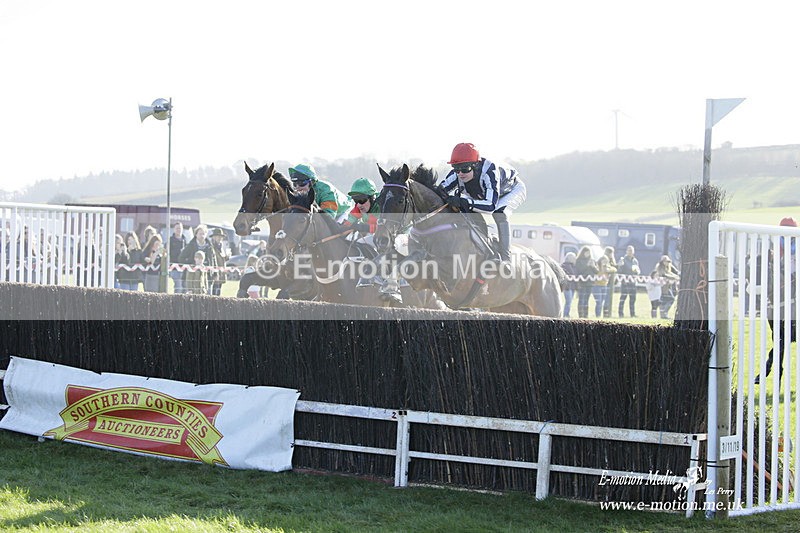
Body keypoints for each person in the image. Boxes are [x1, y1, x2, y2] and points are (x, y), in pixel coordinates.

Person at [437, 142, 526, 262]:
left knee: (499, 213)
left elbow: (490, 206)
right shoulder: (457, 174)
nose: (460, 173)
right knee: (465, 208)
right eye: (456, 169)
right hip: (484, 194)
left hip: (511, 190)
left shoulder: (489, 171)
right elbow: (439, 191)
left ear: (476, 165)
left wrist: (464, 202)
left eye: (465, 169)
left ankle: (506, 258)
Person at [756, 216, 798, 384]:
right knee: (780, 340)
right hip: (775, 304)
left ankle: (767, 368)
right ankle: (770, 369)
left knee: (783, 339)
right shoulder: (773, 252)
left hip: (793, 302)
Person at [288, 163, 354, 221]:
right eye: (295, 184)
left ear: (311, 182)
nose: (297, 187)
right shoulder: (297, 194)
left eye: (301, 183)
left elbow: (328, 217)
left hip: (343, 213)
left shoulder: (326, 190)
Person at [178, 224, 218, 294]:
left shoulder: (210, 246)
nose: (202, 236)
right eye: (200, 234)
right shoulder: (191, 245)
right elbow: (181, 258)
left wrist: (215, 273)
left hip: (207, 276)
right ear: (196, 234)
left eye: (203, 234)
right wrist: (191, 265)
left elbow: (214, 260)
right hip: (193, 276)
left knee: (208, 296)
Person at [575, 246, 598, 318]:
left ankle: (585, 315)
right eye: (586, 252)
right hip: (582, 283)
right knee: (581, 299)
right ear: (583, 253)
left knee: (586, 300)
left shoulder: (592, 260)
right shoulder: (579, 260)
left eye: (589, 252)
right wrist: (587, 265)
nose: (588, 254)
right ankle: (580, 315)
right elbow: (579, 270)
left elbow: (597, 271)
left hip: (590, 283)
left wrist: (593, 266)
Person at [617, 245, 640, 318]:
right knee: (623, 298)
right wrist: (620, 266)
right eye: (629, 250)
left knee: (633, 299)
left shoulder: (635, 261)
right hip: (625, 282)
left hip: (633, 282)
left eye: (631, 251)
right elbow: (619, 271)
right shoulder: (623, 260)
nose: (630, 252)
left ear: (633, 252)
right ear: (626, 251)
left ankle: (632, 314)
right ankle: (620, 313)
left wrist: (637, 272)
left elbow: (638, 271)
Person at [208, 227, 230, 296]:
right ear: (213, 237)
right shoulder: (211, 246)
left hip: (221, 272)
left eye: (221, 237)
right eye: (218, 236)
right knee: (213, 292)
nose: (219, 238)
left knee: (218, 292)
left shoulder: (221, 246)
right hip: (214, 272)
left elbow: (222, 258)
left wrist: (226, 257)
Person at [169, 222, 187, 294]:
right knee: (178, 288)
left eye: (180, 228)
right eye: (177, 228)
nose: (179, 230)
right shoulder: (170, 240)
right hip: (174, 268)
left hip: (184, 268)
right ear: (174, 229)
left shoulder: (185, 240)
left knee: (185, 289)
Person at [601, 246, 617, 318]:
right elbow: (607, 269)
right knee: (605, 299)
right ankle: (605, 314)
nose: (612, 254)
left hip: (611, 283)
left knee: (608, 299)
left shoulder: (612, 261)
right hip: (605, 282)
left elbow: (614, 268)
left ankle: (607, 314)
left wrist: (617, 266)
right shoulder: (604, 260)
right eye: (611, 253)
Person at [561, 252, 577, 318]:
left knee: (570, 302)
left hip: (572, 287)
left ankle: (567, 314)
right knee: (568, 301)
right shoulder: (564, 266)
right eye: (573, 258)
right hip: (567, 287)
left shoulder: (574, 266)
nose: (574, 259)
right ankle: (565, 314)